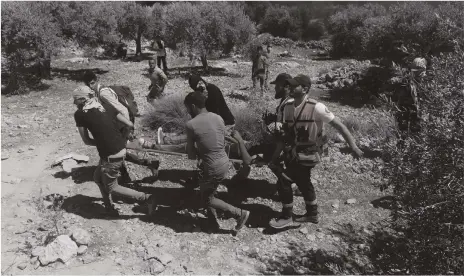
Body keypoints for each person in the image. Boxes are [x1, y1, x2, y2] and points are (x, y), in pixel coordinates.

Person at [268, 74, 364, 229]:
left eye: (294, 86)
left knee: (284, 180)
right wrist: (275, 156)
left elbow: (340, 126)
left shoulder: (317, 107)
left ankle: (287, 216)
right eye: (290, 85)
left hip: (309, 152)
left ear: (305, 89)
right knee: (303, 181)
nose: (290, 88)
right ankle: (312, 214)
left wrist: (353, 146)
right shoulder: (288, 107)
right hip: (292, 152)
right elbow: (286, 136)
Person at [72, 86, 155, 216]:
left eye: (75, 100)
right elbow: (130, 124)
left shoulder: (80, 114)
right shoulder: (105, 106)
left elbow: (87, 141)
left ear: (82, 99)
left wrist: (104, 143)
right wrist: (118, 139)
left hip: (110, 156)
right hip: (121, 148)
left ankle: (146, 198)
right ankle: (108, 207)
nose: (74, 103)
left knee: (112, 187)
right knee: (97, 178)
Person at [184, 92, 250, 232]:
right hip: (224, 162)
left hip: (212, 166)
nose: (188, 112)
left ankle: (239, 214)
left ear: (193, 106)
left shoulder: (191, 125)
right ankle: (212, 222)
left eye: (188, 108)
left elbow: (190, 156)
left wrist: (196, 148)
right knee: (206, 190)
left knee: (207, 198)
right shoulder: (218, 118)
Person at [82, 72, 160, 176]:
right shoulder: (97, 91)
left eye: (92, 83)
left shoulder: (103, 93)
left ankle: (138, 168)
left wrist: (128, 129)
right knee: (117, 150)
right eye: (88, 85)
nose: (90, 86)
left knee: (116, 150)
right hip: (118, 124)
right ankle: (144, 165)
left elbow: (123, 110)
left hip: (123, 124)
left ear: (96, 80)